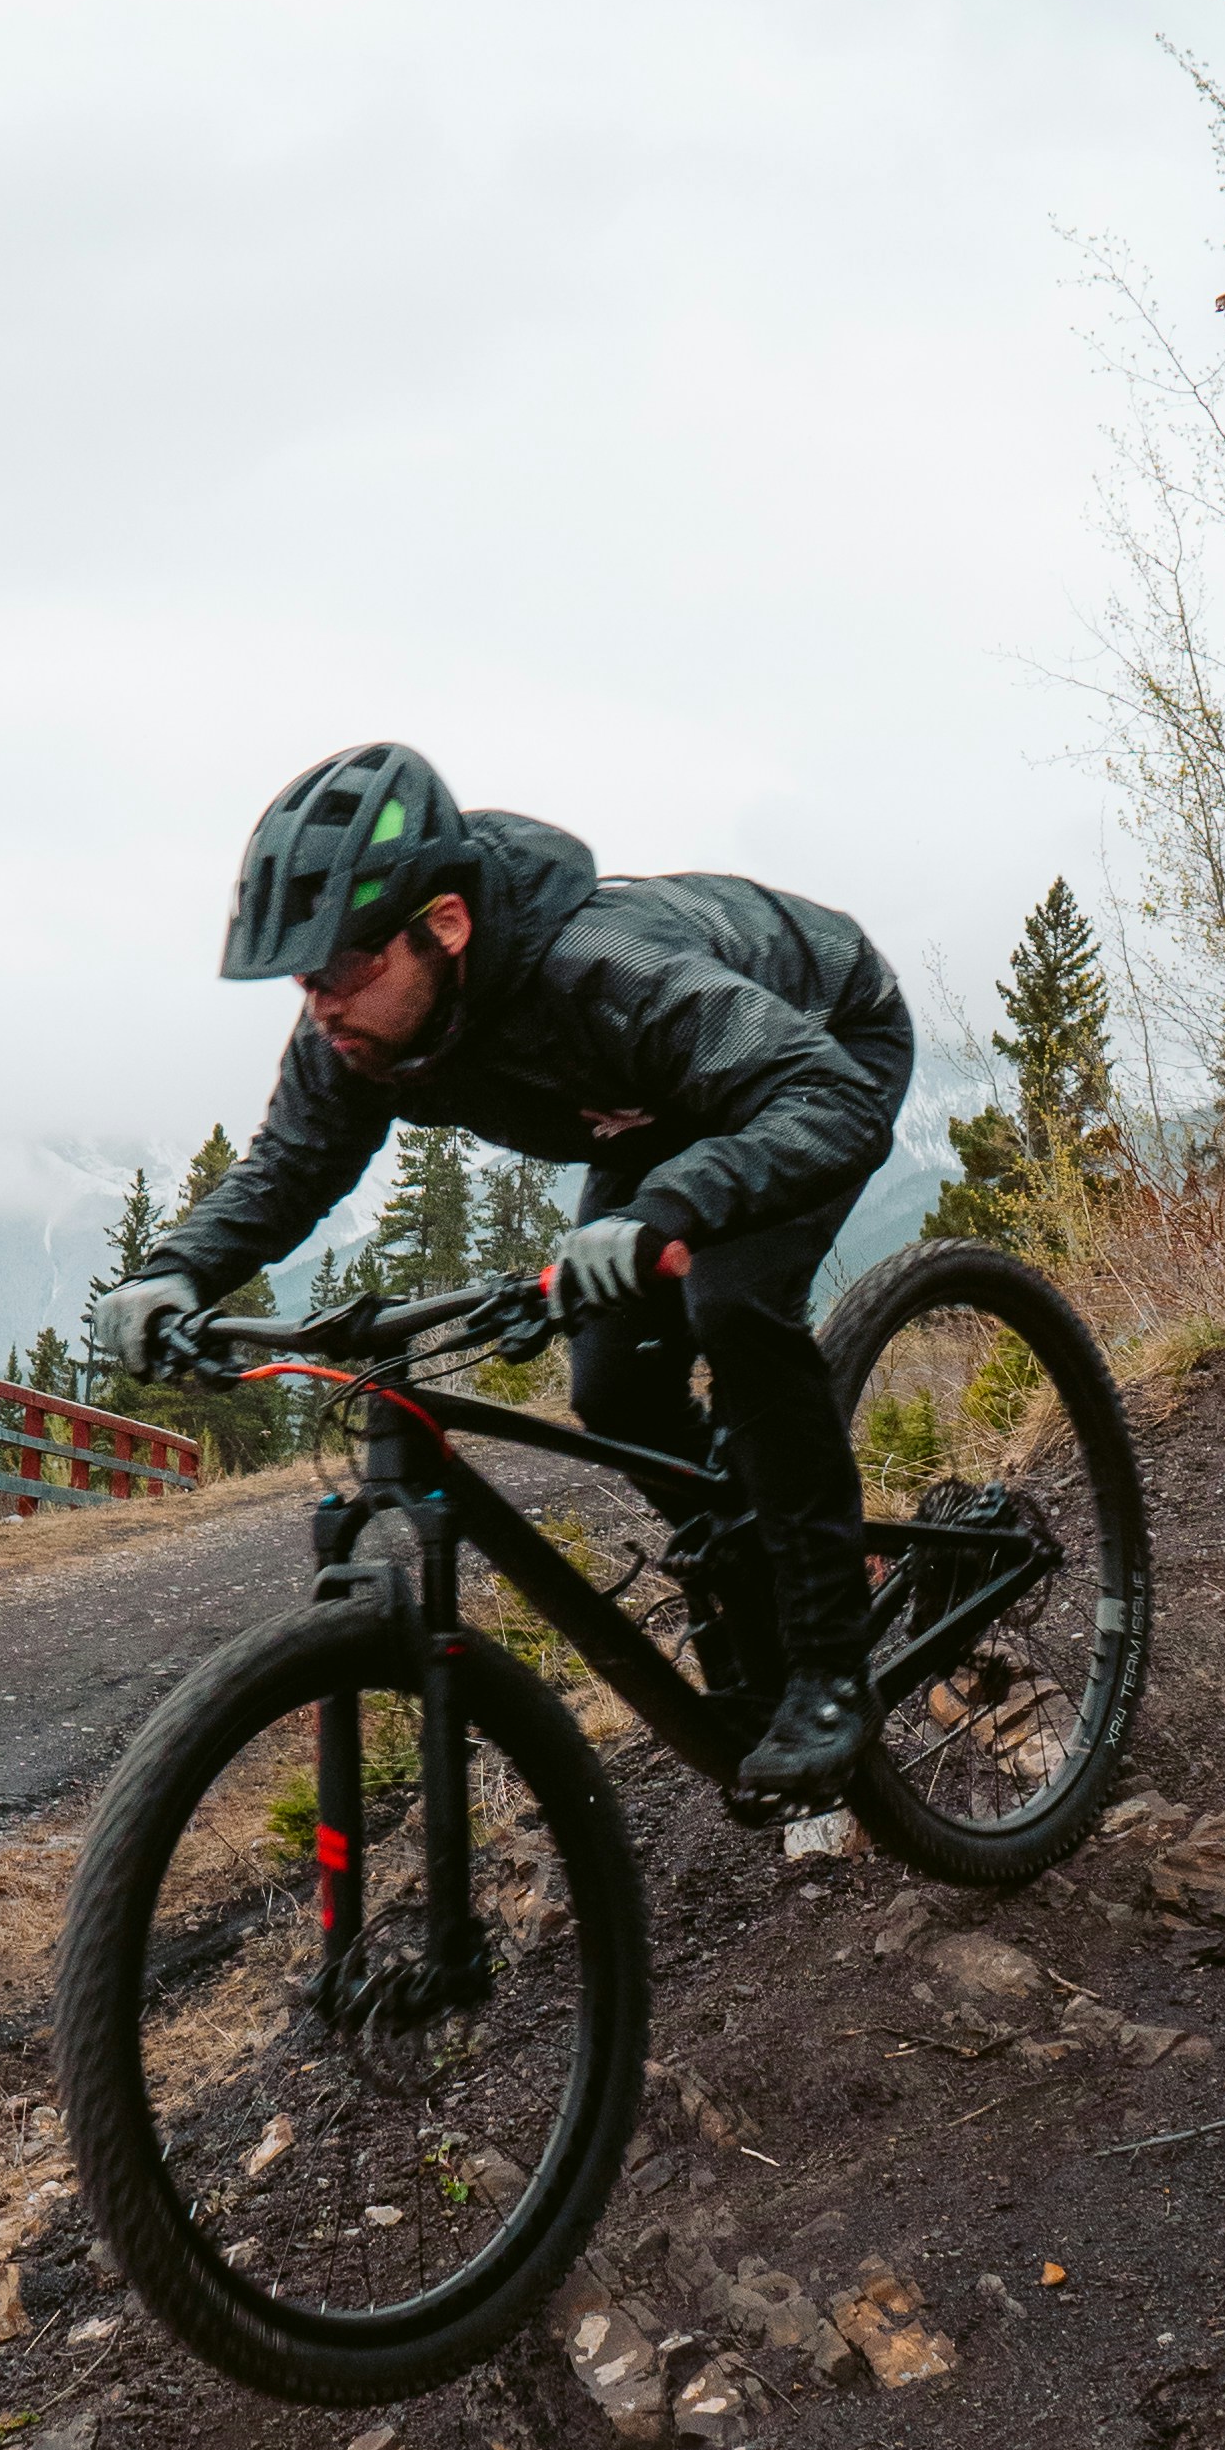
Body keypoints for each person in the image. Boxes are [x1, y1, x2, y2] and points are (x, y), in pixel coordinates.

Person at [88, 741, 913, 1803]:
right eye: (304, 976)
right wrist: (178, 1273)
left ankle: (830, 1664)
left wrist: (667, 1212)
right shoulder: (361, 1027)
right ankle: (748, 1566)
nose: (321, 1002)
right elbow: (294, 1164)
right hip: (653, 1108)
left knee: (734, 1303)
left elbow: (826, 1099)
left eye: (344, 968)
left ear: (446, 925)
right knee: (612, 1387)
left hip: (818, 1051)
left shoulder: (602, 967)